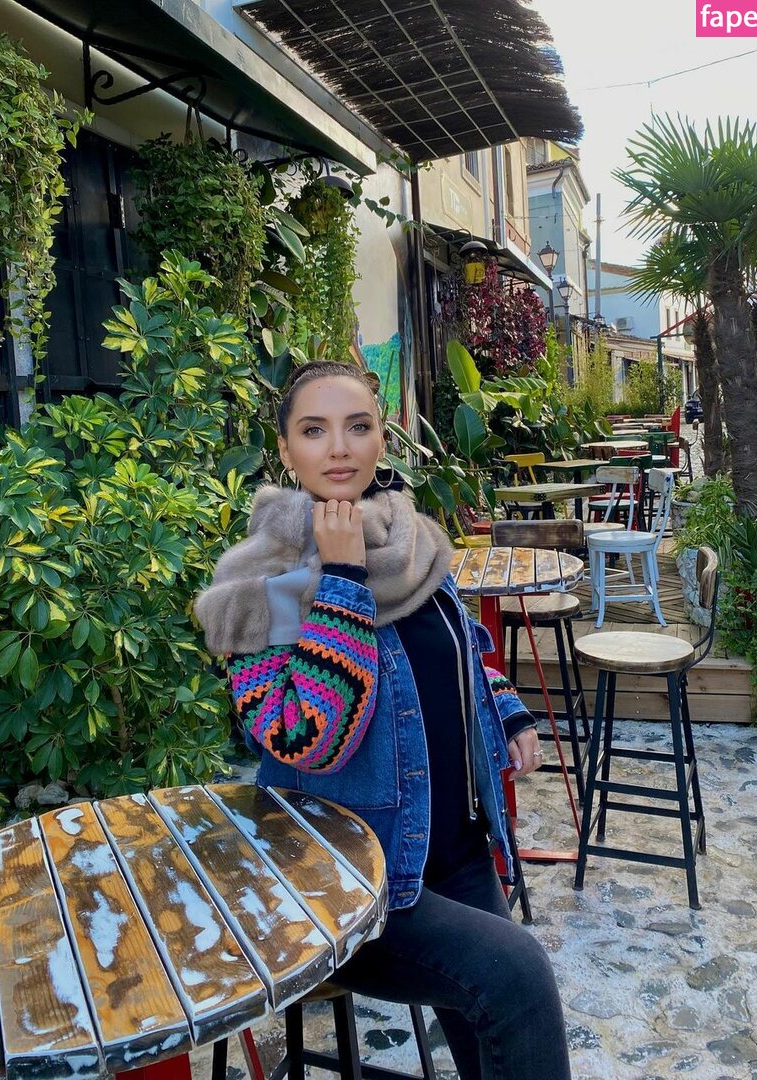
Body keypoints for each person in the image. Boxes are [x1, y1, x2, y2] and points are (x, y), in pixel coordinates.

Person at [194, 361, 572, 1080]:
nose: (339, 448)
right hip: (353, 887)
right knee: (517, 974)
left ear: (381, 440)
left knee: (495, 1043)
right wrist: (342, 579)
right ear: (286, 450)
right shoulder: (265, 581)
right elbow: (306, 738)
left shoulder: (410, 542)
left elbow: (458, 650)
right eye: (315, 430)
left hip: (455, 852)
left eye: (358, 426)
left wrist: (505, 708)